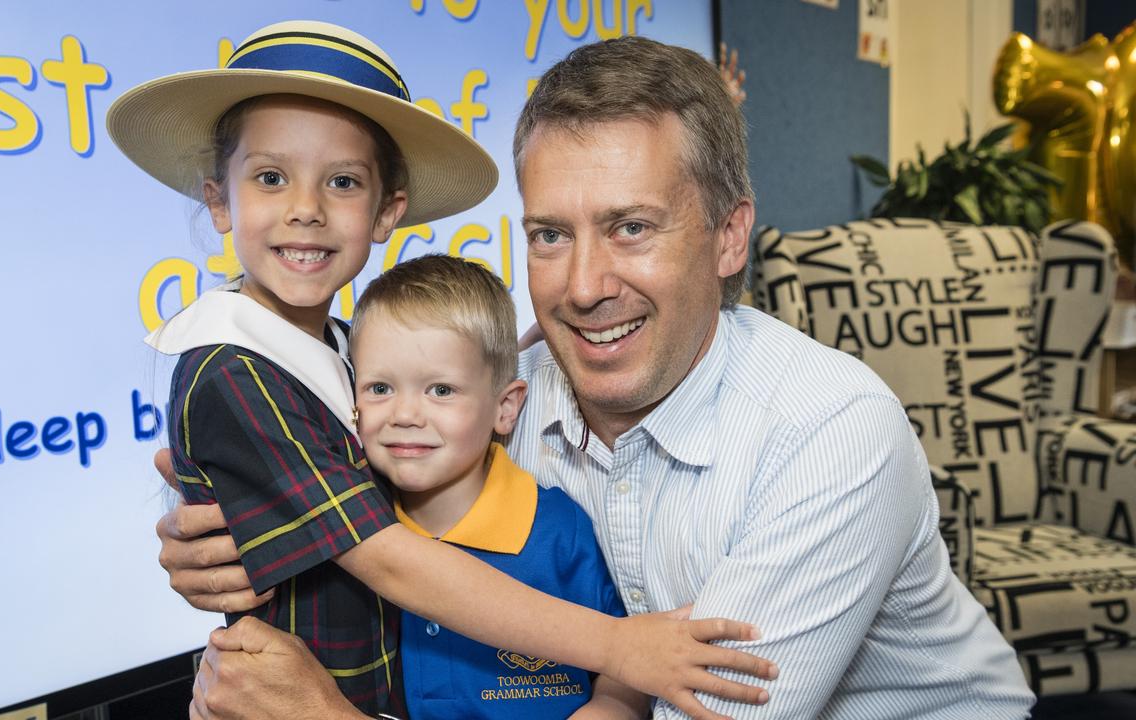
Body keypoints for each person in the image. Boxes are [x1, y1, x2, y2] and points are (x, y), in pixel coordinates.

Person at [155, 35, 1037, 719]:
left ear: (730, 237)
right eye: (550, 235)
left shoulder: (829, 432)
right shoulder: (499, 396)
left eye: (631, 229)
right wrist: (230, 538)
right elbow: (344, 501)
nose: (583, 287)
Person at [111, 21, 776, 720]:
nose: (305, 210)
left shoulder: (344, 344)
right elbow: (391, 559)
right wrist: (620, 647)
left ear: (385, 211)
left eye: (341, 181)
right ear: (219, 200)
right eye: (271, 177)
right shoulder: (233, 369)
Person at [351, 254, 648, 719]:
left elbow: (626, 658)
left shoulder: (559, 531)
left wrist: (611, 706)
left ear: (505, 408)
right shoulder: (358, 529)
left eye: (441, 390)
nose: (405, 415)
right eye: (380, 389)